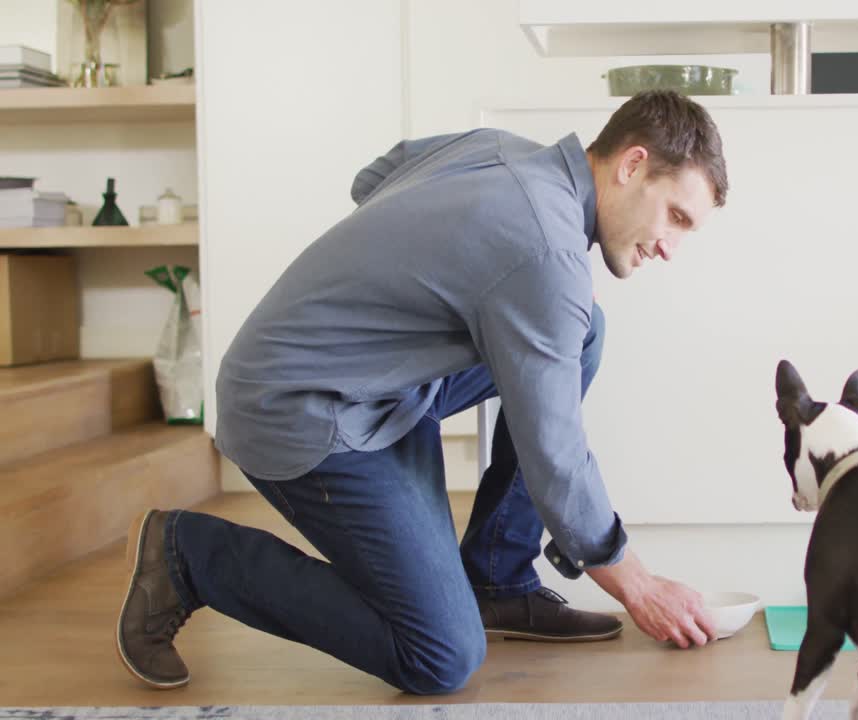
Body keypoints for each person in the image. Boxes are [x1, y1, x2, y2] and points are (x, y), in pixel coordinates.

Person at [114, 90, 730, 695]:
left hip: (373, 389)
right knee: (441, 655)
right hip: (301, 410)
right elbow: (556, 457)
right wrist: (639, 586)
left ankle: (498, 579)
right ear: (632, 165)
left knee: (581, 331)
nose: (671, 248)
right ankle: (188, 556)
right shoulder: (545, 253)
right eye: (675, 216)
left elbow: (371, 178)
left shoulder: (502, 151)